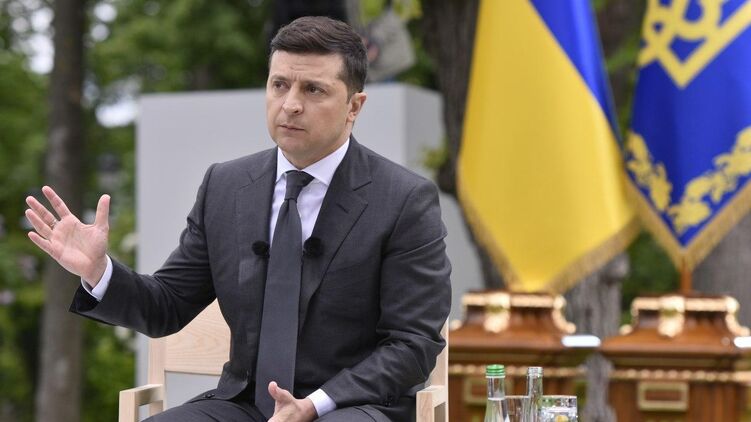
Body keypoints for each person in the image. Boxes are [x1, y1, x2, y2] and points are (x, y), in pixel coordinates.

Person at [25, 16, 450, 422]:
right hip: (245, 405)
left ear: (354, 106)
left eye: (313, 90)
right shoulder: (225, 186)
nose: (291, 104)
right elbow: (166, 306)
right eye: (279, 85)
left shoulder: (404, 200)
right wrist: (99, 271)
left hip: (352, 406)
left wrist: (315, 404)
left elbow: (412, 345)